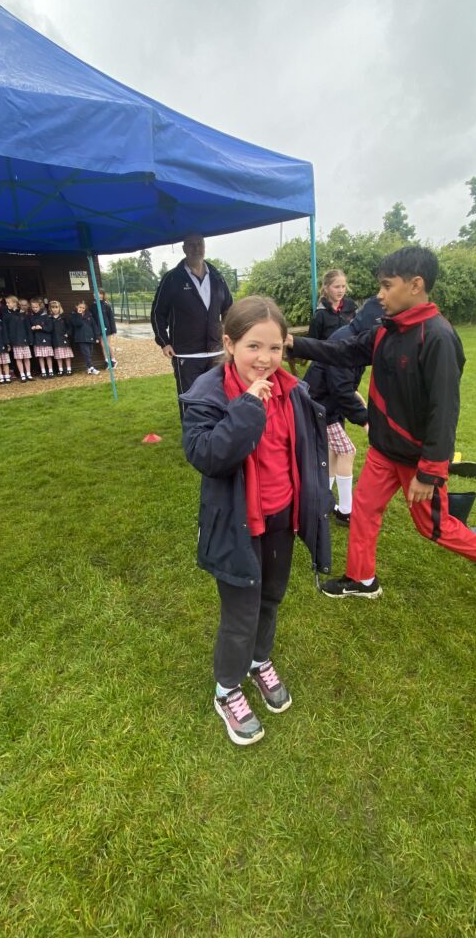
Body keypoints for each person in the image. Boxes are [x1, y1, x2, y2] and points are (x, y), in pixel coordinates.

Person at [287, 247, 476, 602]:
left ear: (415, 285)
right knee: (364, 510)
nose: (379, 295)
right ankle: (362, 579)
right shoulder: (388, 330)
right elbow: (344, 352)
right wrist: (296, 344)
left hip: (417, 460)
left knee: (436, 527)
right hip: (384, 451)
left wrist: (431, 471)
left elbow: (444, 411)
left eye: (387, 286)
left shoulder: (438, 337)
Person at [181, 296, 333, 746]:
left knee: (271, 598)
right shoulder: (207, 395)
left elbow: (304, 452)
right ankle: (227, 689)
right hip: (236, 526)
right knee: (240, 614)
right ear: (229, 344)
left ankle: (258, 661)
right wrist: (247, 406)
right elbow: (209, 456)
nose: (265, 360)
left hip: (281, 519)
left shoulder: (293, 391)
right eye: (253, 347)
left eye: (274, 348)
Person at [303, 297, 383, 525]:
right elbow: (340, 389)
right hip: (319, 407)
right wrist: (366, 421)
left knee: (333, 454)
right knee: (347, 451)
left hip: (326, 405)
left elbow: (346, 385)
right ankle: (345, 511)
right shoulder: (348, 340)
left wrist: (358, 399)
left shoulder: (353, 336)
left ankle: (321, 501)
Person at [151, 234, 233, 417]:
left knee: (219, 397)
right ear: (184, 249)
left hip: (216, 352)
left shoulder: (217, 277)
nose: (196, 249)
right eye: (192, 245)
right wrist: (164, 341)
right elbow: (158, 312)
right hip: (186, 354)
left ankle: (216, 435)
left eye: (200, 244)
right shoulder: (172, 279)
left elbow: (229, 309)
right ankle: (192, 438)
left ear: (204, 246)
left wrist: (227, 334)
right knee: (190, 400)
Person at [308, 269, 357, 340]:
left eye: (343, 286)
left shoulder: (351, 307)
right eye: (336, 287)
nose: (341, 291)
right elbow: (312, 344)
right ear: (326, 288)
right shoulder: (320, 315)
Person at [4, 296, 34, 381]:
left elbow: (28, 328)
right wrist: (7, 342)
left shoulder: (23, 314)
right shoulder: (7, 315)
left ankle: (28, 374)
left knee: (27, 357)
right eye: (7, 303)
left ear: (14, 303)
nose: (7, 304)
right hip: (15, 341)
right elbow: (5, 330)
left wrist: (30, 339)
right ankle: (22, 375)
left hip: (24, 340)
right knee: (18, 358)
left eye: (8, 302)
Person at [69, 300, 100, 374]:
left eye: (83, 308)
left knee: (89, 354)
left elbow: (94, 326)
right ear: (76, 307)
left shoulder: (89, 316)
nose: (81, 309)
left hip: (90, 337)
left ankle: (88, 368)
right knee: (86, 353)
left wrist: (96, 337)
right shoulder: (73, 316)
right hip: (81, 338)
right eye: (80, 307)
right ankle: (92, 368)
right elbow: (78, 324)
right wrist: (79, 314)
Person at [91, 288, 118, 369]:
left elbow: (111, 318)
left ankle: (113, 360)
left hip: (107, 327)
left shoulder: (106, 305)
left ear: (102, 295)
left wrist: (113, 330)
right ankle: (107, 361)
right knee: (102, 345)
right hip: (98, 328)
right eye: (95, 293)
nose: (96, 295)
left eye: (99, 293)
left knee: (107, 344)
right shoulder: (93, 306)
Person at [29, 298, 55, 378]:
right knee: (40, 357)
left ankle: (50, 371)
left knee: (48, 356)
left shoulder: (46, 316)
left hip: (46, 339)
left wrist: (41, 327)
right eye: (33, 307)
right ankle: (43, 371)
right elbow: (29, 328)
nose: (35, 309)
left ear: (40, 306)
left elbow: (50, 328)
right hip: (37, 340)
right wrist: (32, 328)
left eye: (36, 307)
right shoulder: (31, 317)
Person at [49, 301, 73, 375]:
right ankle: (61, 370)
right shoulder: (50, 318)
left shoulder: (64, 317)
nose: (55, 309)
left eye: (56, 307)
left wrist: (67, 334)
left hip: (64, 338)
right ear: (50, 309)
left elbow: (70, 327)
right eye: (53, 307)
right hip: (56, 339)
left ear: (59, 308)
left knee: (67, 355)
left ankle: (69, 369)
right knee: (58, 356)